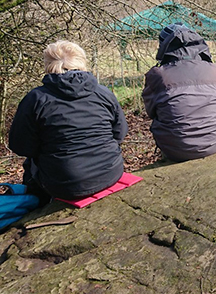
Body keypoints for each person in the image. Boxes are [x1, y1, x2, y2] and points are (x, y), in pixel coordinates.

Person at [9, 41, 128, 200]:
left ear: (49, 65)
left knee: (30, 165)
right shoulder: (104, 93)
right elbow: (120, 133)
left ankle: (36, 205)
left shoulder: (36, 99)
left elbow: (21, 146)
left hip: (65, 184)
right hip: (110, 172)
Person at [142, 24, 216, 162]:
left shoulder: (158, 75)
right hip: (215, 143)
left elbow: (151, 112)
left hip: (175, 150)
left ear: (163, 46)